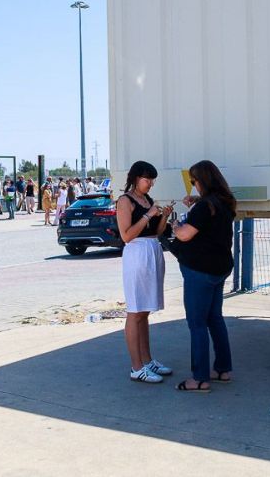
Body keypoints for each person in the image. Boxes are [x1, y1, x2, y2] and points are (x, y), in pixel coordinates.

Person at [169, 160, 236, 392]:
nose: (193, 186)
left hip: (200, 271)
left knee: (197, 323)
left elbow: (185, 235)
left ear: (202, 181)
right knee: (215, 318)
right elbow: (208, 214)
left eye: (194, 181)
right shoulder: (224, 203)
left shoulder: (204, 207)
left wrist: (176, 224)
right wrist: (196, 203)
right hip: (220, 268)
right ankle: (223, 369)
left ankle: (199, 378)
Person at [115, 160, 173, 383]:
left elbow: (156, 232)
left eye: (152, 180)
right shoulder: (125, 201)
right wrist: (148, 215)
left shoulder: (146, 200)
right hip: (137, 254)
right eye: (147, 179)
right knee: (135, 310)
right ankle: (136, 366)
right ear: (136, 178)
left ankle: (147, 361)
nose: (150, 183)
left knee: (145, 311)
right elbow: (127, 236)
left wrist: (163, 216)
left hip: (151, 250)